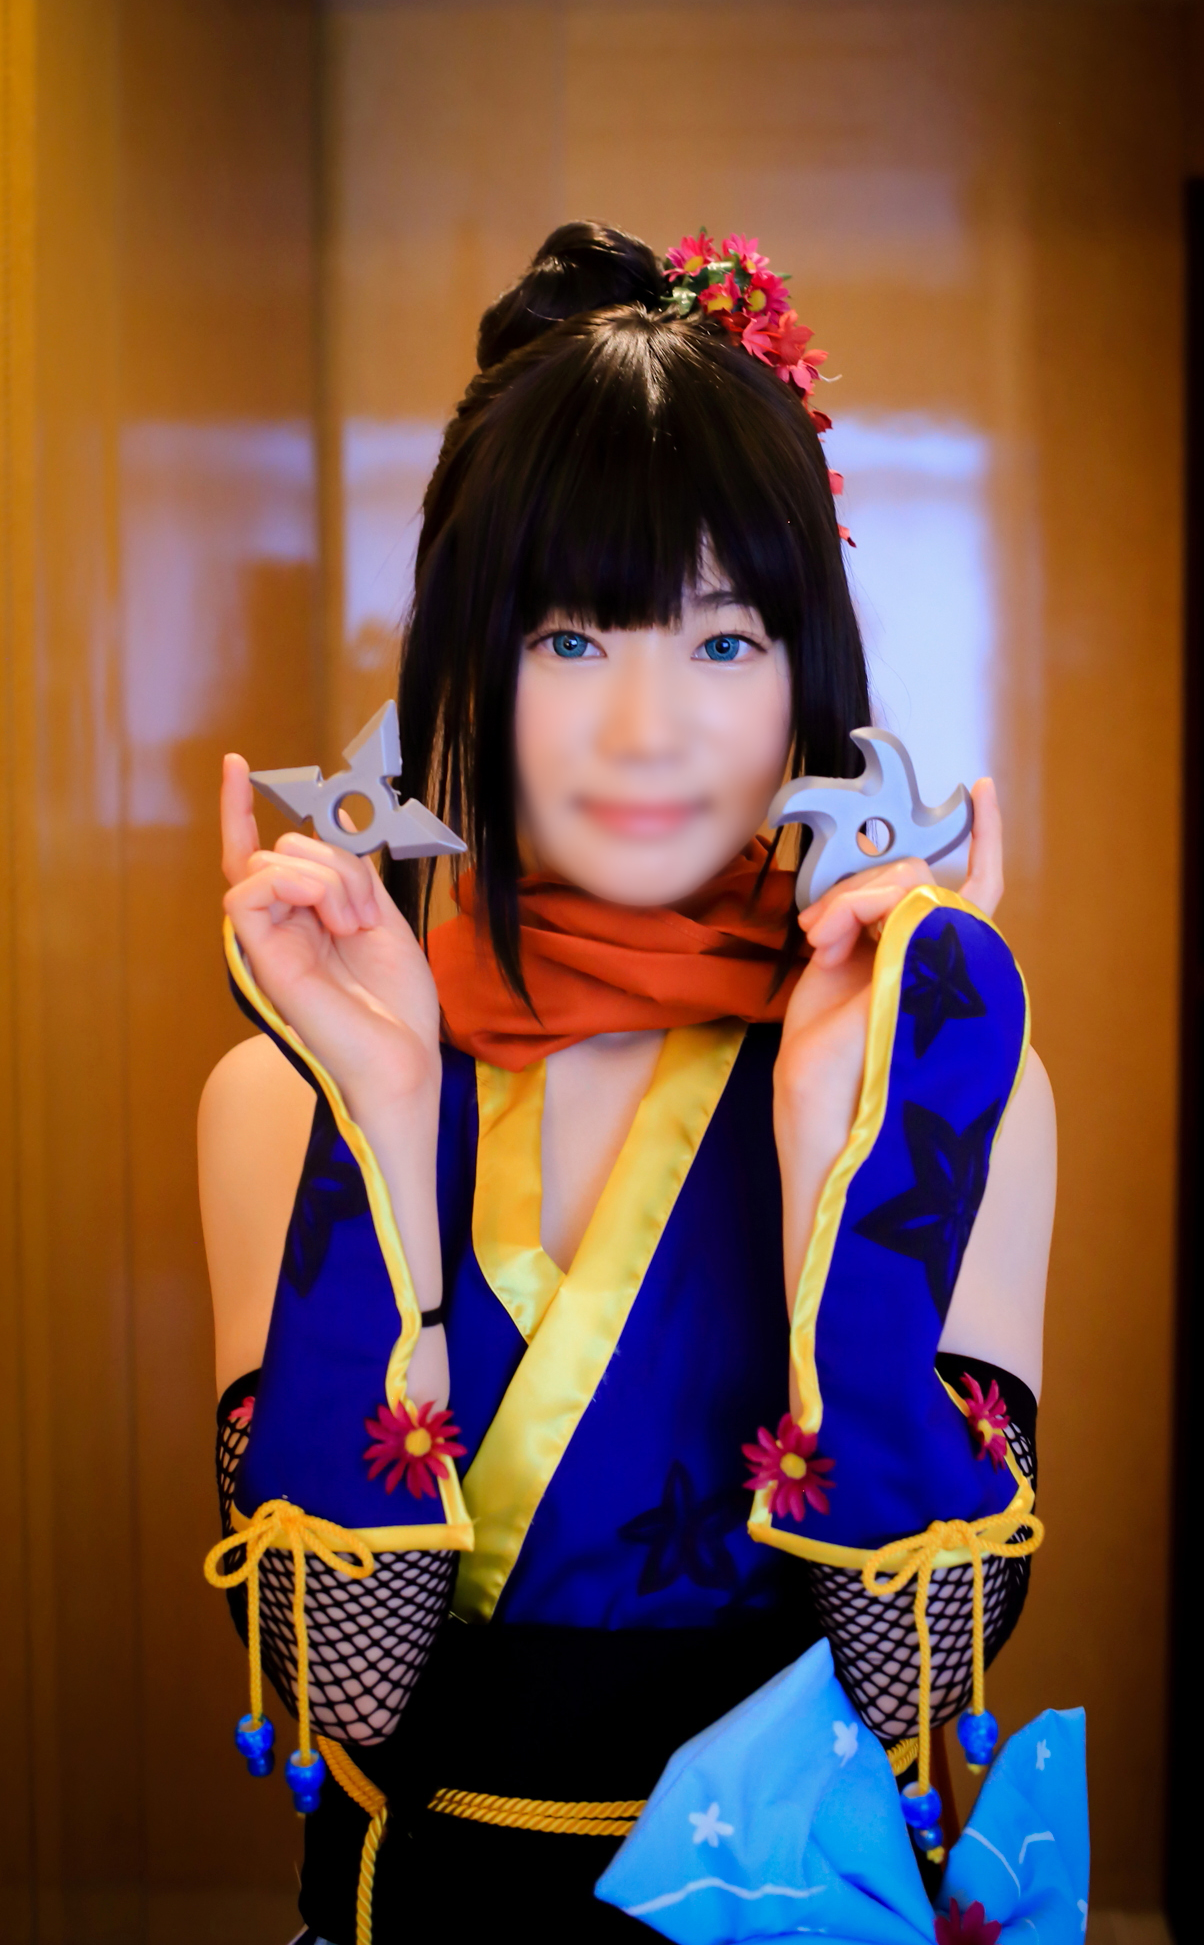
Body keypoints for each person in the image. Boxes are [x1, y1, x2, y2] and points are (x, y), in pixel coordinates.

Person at [199, 222, 1057, 1945]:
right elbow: (338, 1677)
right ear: (460, 667)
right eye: (569, 640)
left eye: (723, 644)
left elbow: (917, 1684)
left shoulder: (951, 1086)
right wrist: (378, 1121)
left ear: (811, 680)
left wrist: (853, 1161)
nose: (646, 728)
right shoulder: (283, 1092)